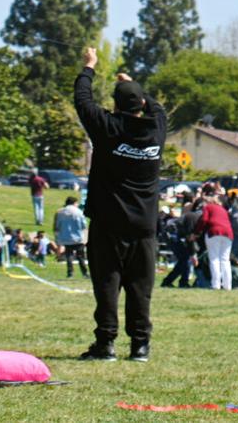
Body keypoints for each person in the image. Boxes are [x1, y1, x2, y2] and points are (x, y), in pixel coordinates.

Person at [74, 47, 168, 363]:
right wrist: (133, 86)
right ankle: (140, 346)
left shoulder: (108, 127)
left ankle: (106, 344)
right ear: (142, 104)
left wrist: (89, 67)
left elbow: (83, 101)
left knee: (107, 284)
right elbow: (157, 108)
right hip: (144, 225)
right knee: (141, 288)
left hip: (108, 223)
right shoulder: (157, 128)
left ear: (115, 105)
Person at [196, 191, 235, 290]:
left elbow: (204, 220)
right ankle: (227, 285)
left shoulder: (208, 207)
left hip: (214, 232)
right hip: (228, 233)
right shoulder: (223, 209)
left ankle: (216, 284)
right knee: (225, 259)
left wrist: (197, 231)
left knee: (214, 259)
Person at [161, 194, 201, 289]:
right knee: (185, 259)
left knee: (184, 259)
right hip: (172, 234)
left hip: (176, 235)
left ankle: (174, 281)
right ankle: (180, 281)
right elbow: (189, 237)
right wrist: (193, 253)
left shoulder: (195, 215)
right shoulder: (194, 216)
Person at [53, 194, 89, 278]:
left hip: (66, 237)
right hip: (78, 237)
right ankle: (84, 273)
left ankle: (70, 273)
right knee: (80, 256)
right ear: (74, 203)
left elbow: (57, 225)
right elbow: (83, 225)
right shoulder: (79, 212)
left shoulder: (61, 212)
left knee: (69, 256)